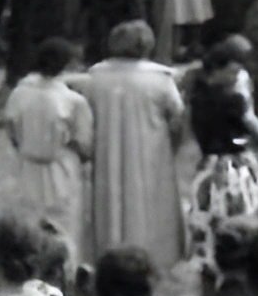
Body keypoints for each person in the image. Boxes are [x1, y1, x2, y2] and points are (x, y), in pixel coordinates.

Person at [81, 23, 190, 267]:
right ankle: (155, 257)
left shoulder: (94, 78)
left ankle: (108, 253)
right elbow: (177, 117)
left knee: (111, 201)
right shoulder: (160, 80)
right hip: (151, 152)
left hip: (107, 152)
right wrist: (175, 145)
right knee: (151, 203)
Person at [4, 41, 96, 262]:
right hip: (61, 167)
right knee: (65, 225)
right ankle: (65, 271)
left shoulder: (19, 93)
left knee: (29, 222)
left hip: (27, 168)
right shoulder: (73, 101)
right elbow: (85, 144)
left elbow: (12, 131)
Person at [185, 38, 258, 255]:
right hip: (234, 164)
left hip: (208, 162)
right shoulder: (234, 101)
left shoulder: (197, 98)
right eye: (231, 73)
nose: (235, 79)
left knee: (210, 207)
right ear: (217, 70)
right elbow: (253, 129)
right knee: (242, 203)